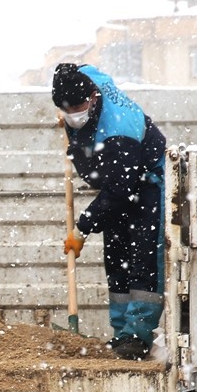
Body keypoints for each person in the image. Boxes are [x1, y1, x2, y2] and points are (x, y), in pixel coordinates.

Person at [52, 62, 168, 360]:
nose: (72, 114)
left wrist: (81, 229)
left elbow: (120, 191)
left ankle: (138, 335)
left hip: (144, 181)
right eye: (67, 110)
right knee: (116, 259)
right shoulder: (85, 80)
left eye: (77, 107)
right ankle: (121, 334)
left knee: (141, 260)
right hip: (115, 179)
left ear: (93, 97)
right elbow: (82, 68)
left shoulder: (120, 130)